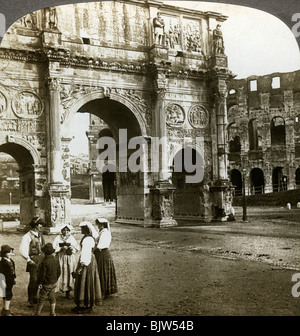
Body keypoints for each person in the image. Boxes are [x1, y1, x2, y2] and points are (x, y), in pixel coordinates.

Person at [72, 221, 102, 314]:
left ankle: (86, 305)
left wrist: (82, 266)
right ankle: (83, 304)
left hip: (87, 261)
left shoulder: (87, 240)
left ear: (86, 230)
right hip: (89, 260)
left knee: (85, 282)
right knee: (85, 282)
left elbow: (86, 253)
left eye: (82, 229)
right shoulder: (87, 238)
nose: (81, 230)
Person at [19, 216, 46, 307]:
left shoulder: (40, 235)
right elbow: (22, 249)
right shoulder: (27, 236)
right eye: (40, 224)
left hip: (41, 259)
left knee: (40, 279)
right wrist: (28, 259)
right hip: (33, 259)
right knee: (33, 280)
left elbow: (43, 247)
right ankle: (30, 299)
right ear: (35, 225)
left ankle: (35, 296)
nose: (41, 226)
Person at [53, 224, 80, 299]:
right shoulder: (58, 237)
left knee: (69, 273)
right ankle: (56, 290)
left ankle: (68, 292)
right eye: (64, 230)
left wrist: (71, 248)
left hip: (69, 258)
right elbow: (54, 247)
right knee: (60, 273)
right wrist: (60, 248)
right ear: (61, 231)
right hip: (61, 257)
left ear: (69, 231)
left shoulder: (71, 238)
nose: (65, 232)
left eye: (67, 230)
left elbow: (77, 247)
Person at [34, 243, 61, 316]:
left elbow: (42, 275)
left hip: (45, 284)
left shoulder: (44, 262)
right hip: (53, 283)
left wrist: (39, 282)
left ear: (44, 252)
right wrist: (55, 279)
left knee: (42, 298)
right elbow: (59, 272)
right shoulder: (56, 260)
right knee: (52, 298)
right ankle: (53, 313)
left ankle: (37, 313)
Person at [94, 218, 118, 299]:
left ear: (104, 224)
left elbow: (101, 245)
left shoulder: (105, 233)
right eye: (98, 224)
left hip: (103, 253)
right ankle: (103, 290)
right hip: (100, 253)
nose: (99, 226)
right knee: (102, 271)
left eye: (100, 224)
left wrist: (94, 248)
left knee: (103, 271)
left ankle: (104, 291)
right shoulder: (101, 232)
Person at [0, 245, 16, 316]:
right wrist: (2, 282)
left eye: (11, 252)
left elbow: (13, 271)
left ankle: (4, 309)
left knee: (6, 293)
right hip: (5, 281)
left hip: (10, 280)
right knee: (8, 294)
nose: (10, 254)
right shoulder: (2, 262)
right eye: (8, 252)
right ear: (4, 253)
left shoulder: (11, 260)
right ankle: (6, 310)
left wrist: (14, 278)